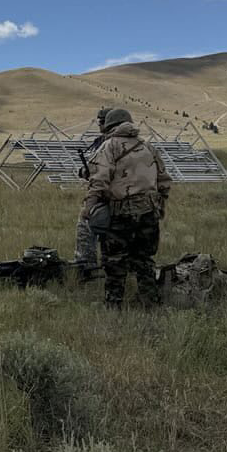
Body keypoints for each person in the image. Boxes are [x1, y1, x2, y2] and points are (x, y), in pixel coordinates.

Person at [82, 108, 171, 308]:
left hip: (120, 213)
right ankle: (150, 303)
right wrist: (159, 205)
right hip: (149, 212)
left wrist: (88, 207)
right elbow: (164, 181)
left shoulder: (109, 146)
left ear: (111, 125)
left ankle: (113, 306)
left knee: (115, 262)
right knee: (144, 259)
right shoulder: (148, 146)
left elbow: (99, 181)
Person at [73, 106, 112, 282]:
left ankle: (87, 271)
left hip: (103, 198)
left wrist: (89, 205)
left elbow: (96, 173)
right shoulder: (135, 143)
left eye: (102, 121)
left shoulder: (108, 144)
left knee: (86, 229)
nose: (100, 125)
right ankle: (107, 269)